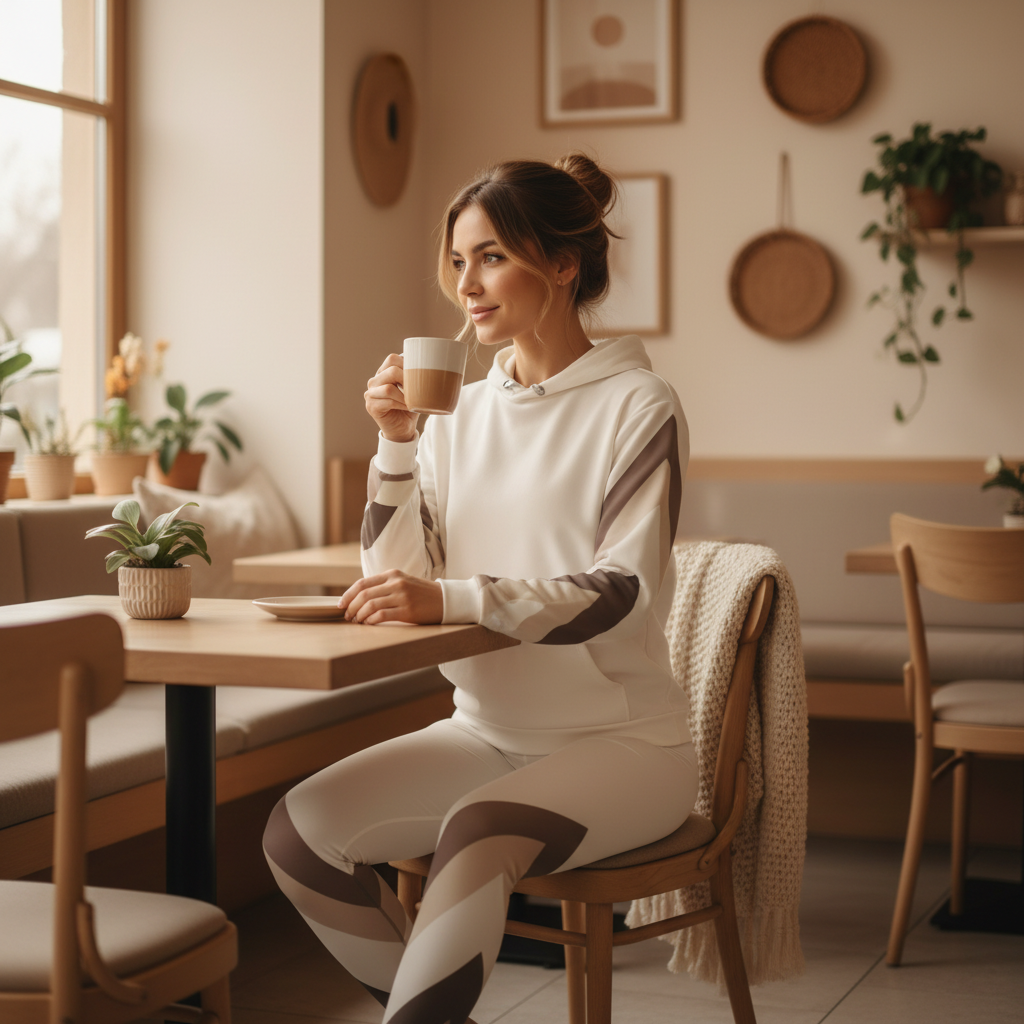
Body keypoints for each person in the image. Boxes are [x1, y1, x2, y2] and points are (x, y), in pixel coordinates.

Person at [263, 153, 697, 1024]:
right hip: (484, 732)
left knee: (477, 830)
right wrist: (394, 444)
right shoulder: (457, 412)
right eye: (459, 262)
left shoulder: (639, 404)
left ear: (563, 264)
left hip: (625, 746)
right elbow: (396, 580)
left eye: (492, 256)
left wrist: (456, 601)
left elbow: (621, 590)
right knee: (300, 833)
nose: (468, 283)